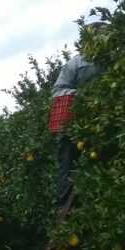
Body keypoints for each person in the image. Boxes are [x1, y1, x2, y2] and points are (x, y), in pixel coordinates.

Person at [49, 15, 107, 204]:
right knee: (68, 160)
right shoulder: (76, 63)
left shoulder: (114, 60)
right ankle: (64, 203)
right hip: (76, 123)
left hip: (106, 120)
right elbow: (58, 91)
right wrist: (81, 94)